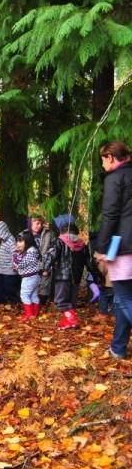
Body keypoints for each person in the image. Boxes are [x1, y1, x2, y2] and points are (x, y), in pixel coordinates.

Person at [96, 141, 132, 358]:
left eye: (102, 160)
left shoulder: (115, 178)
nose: (102, 164)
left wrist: (102, 247)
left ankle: (118, 348)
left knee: (124, 298)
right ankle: (118, 348)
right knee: (122, 299)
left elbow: (110, 214)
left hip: (124, 247)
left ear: (110, 157)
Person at [43, 221, 91, 330]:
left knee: (61, 300)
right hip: (76, 278)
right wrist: (97, 277)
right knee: (71, 300)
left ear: (63, 232)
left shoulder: (60, 241)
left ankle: (72, 321)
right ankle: (66, 320)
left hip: (62, 276)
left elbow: (52, 255)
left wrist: (45, 268)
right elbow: (89, 262)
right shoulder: (82, 244)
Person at [13, 230, 42, 321]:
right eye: (18, 241)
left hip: (29, 277)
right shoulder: (31, 250)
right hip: (33, 276)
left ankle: (29, 314)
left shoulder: (30, 252)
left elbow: (20, 263)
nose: (18, 243)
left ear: (28, 241)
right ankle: (35, 313)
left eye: (21, 241)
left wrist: (15, 253)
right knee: (33, 295)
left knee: (24, 295)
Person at [0, 221, 20, 305]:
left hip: (9, 270)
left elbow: (14, 253)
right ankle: (0, 300)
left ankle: (14, 301)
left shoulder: (11, 240)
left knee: (10, 287)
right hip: (2, 269)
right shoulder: (3, 240)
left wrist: (15, 265)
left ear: (2, 232)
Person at [28, 215, 55, 306]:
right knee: (31, 283)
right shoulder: (26, 234)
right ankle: (31, 302)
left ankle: (42, 303)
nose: (39, 226)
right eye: (37, 223)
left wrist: (50, 256)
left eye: (41, 223)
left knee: (45, 283)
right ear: (30, 223)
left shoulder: (48, 233)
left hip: (45, 263)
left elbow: (54, 246)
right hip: (31, 264)